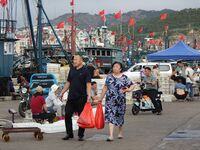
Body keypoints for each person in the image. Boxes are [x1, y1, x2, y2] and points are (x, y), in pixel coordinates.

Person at [99, 61, 135, 141]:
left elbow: (132, 84)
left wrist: (128, 89)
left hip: (120, 101)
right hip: (110, 100)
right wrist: (100, 98)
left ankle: (120, 132)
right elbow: (105, 88)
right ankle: (111, 135)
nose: (115, 68)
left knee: (120, 116)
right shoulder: (109, 77)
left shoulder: (124, 77)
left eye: (117, 66)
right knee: (111, 116)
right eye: (114, 66)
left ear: (120, 68)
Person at [60, 55, 91, 141]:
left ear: (81, 60)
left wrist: (89, 96)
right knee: (67, 114)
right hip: (71, 97)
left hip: (81, 97)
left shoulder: (86, 71)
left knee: (81, 117)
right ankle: (69, 134)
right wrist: (62, 92)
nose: (74, 61)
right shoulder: (72, 69)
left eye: (76, 59)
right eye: (74, 60)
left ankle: (81, 135)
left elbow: (88, 84)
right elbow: (68, 82)